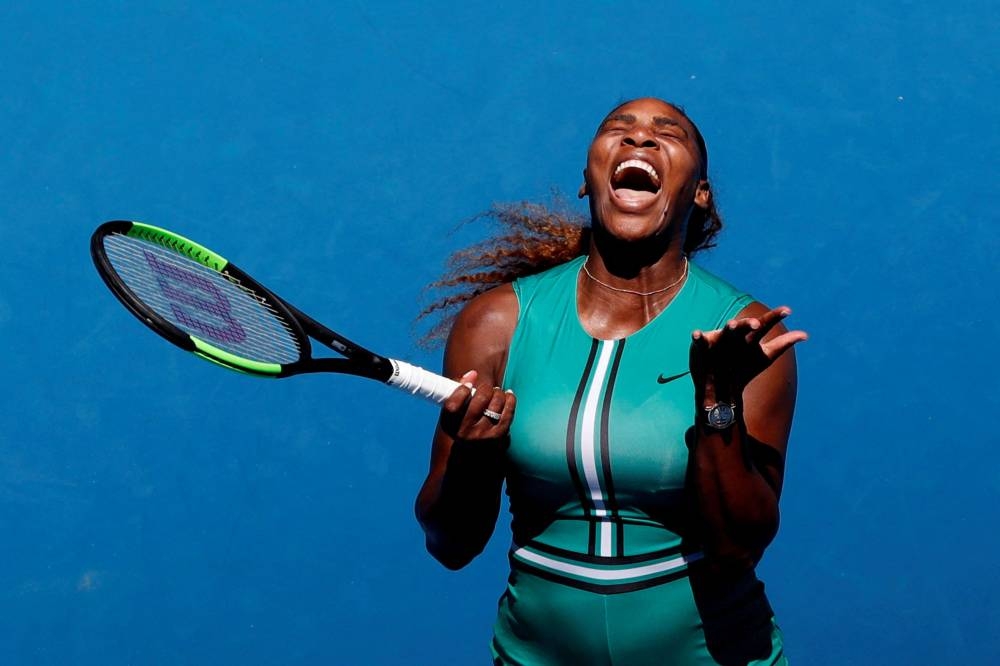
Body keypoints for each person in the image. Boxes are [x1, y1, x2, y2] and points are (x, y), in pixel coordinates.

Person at [416, 97, 806, 665]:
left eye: (666, 132)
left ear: (700, 192)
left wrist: (718, 407)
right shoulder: (495, 322)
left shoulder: (746, 334)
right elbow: (448, 544)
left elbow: (738, 547)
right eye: (618, 130)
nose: (639, 140)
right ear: (587, 180)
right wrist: (474, 460)